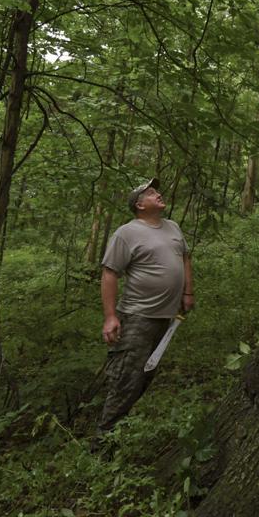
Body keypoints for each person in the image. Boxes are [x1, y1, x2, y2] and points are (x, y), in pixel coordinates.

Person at [96, 178, 195, 436]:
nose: (158, 194)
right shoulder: (126, 233)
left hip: (166, 319)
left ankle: (123, 433)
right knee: (125, 380)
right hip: (137, 317)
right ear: (139, 205)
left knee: (145, 376)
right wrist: (110, 317)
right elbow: (109, 273)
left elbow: (185, 258)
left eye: (157, 191)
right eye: (151, 193)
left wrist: (188, 292)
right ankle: (103, 442)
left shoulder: (173, 227)